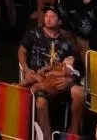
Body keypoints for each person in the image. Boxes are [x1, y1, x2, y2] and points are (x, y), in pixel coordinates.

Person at [18, 7, 85, 139]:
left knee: (80, 93)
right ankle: (47, 136)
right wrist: (26, 69)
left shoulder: (66, 43)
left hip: (60, 81)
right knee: (41, 101)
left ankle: (73, 132)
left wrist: (70, 80)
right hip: (39, 78)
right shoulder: (33, 34)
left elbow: (78, 67)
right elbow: (21, 51)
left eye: (52, 16)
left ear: (59, 22)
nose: (48, 18)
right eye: (46, 15)